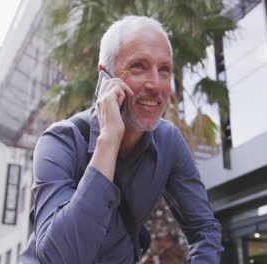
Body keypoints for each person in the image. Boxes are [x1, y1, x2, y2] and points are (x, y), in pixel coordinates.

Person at [22, 15, 223, 263]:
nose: (155, 84)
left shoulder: (169, 140)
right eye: (139, 66)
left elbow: (205, 230)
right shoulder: (59, 141)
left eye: (164, 70)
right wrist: (109, 140)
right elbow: (61, 257)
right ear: (104, 77)